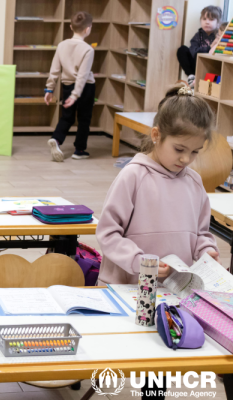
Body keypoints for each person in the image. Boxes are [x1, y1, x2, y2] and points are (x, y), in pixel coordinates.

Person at [97, 85, 221, 286]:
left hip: (174, 290)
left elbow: (201, 234)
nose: (186, 158)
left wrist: (206, 251)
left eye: (195, 151)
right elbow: (108, 233)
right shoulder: (133, 176)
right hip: (128, 288)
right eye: (179, 148)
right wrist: (141, 263)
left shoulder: (194, 182)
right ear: (156, 135)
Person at [45, 11, 95, 162]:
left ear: (70, 27)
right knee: (84, 119)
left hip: (67, 85)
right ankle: (79, 150)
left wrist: (49, 89)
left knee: (67, 117)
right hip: (85, 88)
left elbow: (54, 70)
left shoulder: (61, 45)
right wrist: (76, 95)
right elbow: (82, 75)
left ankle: (57, 139)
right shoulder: (88, 49)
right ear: (88, 29)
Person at [177, 6, 222, 88]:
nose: (207, 22)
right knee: (182, 49)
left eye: (211, 20)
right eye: (204, 19)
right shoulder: (198, 35)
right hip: (196, 64)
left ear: (218, 23)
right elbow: (194, 52)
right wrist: (210, 46)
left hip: (211, 66)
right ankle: (191, 76)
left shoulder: (219, 36)